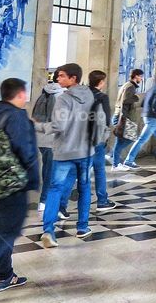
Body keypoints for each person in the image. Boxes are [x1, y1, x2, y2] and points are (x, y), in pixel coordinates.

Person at [0, 78, 39, 291]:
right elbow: (26, 152)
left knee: (1, 229)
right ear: (21, 94)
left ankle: (4, 276)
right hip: (10, 185)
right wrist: (33, 181)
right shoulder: (16, 117)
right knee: (9, 231)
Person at [40, 63, 102, 246]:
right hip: (84, 152)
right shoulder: (89, 94)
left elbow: (59, 125)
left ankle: (49, 230)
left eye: (61, 76)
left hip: (64, 151)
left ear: (73, 78)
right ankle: (82, 227)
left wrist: (39, 127)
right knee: (84, 188)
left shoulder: (63, 98)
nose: (57, 79)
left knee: (55, 189)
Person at [31, 71, 64, 214]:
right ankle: (45, 202)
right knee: (52, 174)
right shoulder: (62, 95)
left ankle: (47, 201)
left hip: (41, 139)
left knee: (47, 171)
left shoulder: (43, 92)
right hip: (53, 140)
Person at [123, 72, 156, 168]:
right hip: (152, 118)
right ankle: (129, 160)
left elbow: (143, 103)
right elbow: (155, 105)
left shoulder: (152, 89)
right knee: (142, 139)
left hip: (149, 117)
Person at [87, 70, 117, 212]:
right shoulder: (102, 97)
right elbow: (106, 118)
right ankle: (102, 200)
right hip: (97, 137)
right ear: (101, 82)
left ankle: (62, 205)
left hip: (82, 138)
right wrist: (106, 137)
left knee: (79, 171)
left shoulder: (83, 93)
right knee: (99, 169)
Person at [111, 69, 144, 169]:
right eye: (141, 76)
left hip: (121, 116)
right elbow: (125, 101)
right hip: (125, 116)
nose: (141, 79)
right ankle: (112, 157)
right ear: (136, 76)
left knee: (121, 140)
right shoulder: (130, 87)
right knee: (130, 138)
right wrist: (136, 98)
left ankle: (115, 162)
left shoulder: (126, 85)